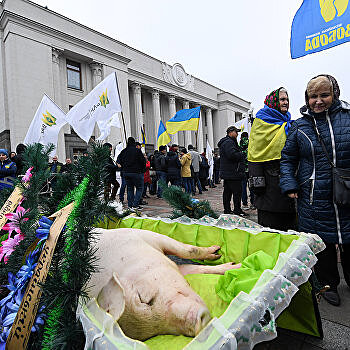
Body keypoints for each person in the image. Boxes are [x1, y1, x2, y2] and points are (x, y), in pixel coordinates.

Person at [280, 75, 350, 306]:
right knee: (323, 245)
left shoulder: (348, 118)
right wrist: (289, 183)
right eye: (313, 96)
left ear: (335, 94)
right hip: (314, 195)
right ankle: (328, 284)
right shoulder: (300, 126)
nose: (318, 101)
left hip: (347, 192)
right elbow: (288, 159)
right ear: (307, 98)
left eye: (324, 95)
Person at [248, 87, 296, 230]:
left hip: (290, 187)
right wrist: (258, 187)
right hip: (268, 191)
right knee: (272, 233)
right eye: (282, 99)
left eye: (287, 99)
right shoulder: (261, 121)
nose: (285, 102)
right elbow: (254, 154)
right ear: (274, 101)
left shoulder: (289, 122)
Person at [218, 126, 247, 216]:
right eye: (236, 132)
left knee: (228, 192)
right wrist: (242, 154)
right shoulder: (229, 142)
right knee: (236, 192)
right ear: (230, 132)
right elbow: (232, 155)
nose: (237, 134)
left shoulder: (228, 142)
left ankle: (227, 210)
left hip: (229, 172)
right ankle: (236, 210)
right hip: (233, 172)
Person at [117, 137, 146, 209]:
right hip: (137, 172)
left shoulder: (123, 151)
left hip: (126, 172)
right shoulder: (137, 151)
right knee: (139, 188)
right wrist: (142, 170)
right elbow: (143, 161)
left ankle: (130, 205)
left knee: (130, 189)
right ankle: (135, 204)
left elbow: (119, 160)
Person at [240, 132, 250, 209]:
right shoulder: (250, 143)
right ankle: (253, 203)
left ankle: (245, 204)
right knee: (252, 187)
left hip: (243, 169)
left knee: (243, 188)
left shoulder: (239, 144)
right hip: (250, 168)